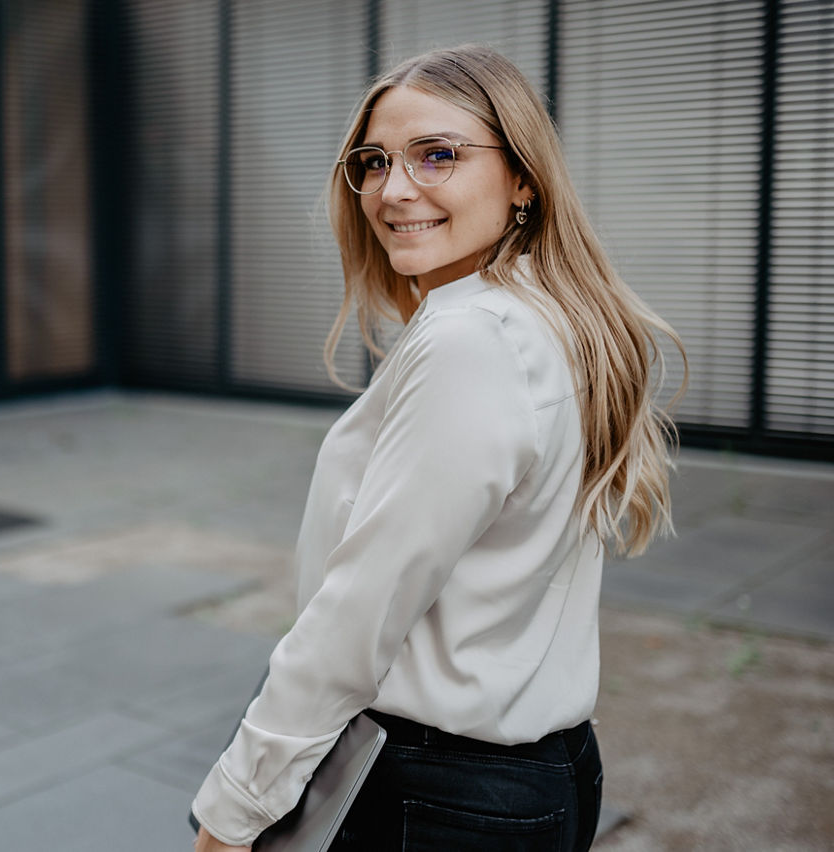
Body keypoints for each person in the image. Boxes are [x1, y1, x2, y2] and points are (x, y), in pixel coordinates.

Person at [192, 44, 685, 852]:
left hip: (437, 794)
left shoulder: (471, 341)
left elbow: (360, 611)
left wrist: (235, 811)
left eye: (438, 155)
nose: (393, 189)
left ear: (523, 178)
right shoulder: (550, 318)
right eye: (375, 161)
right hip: (543, 773)